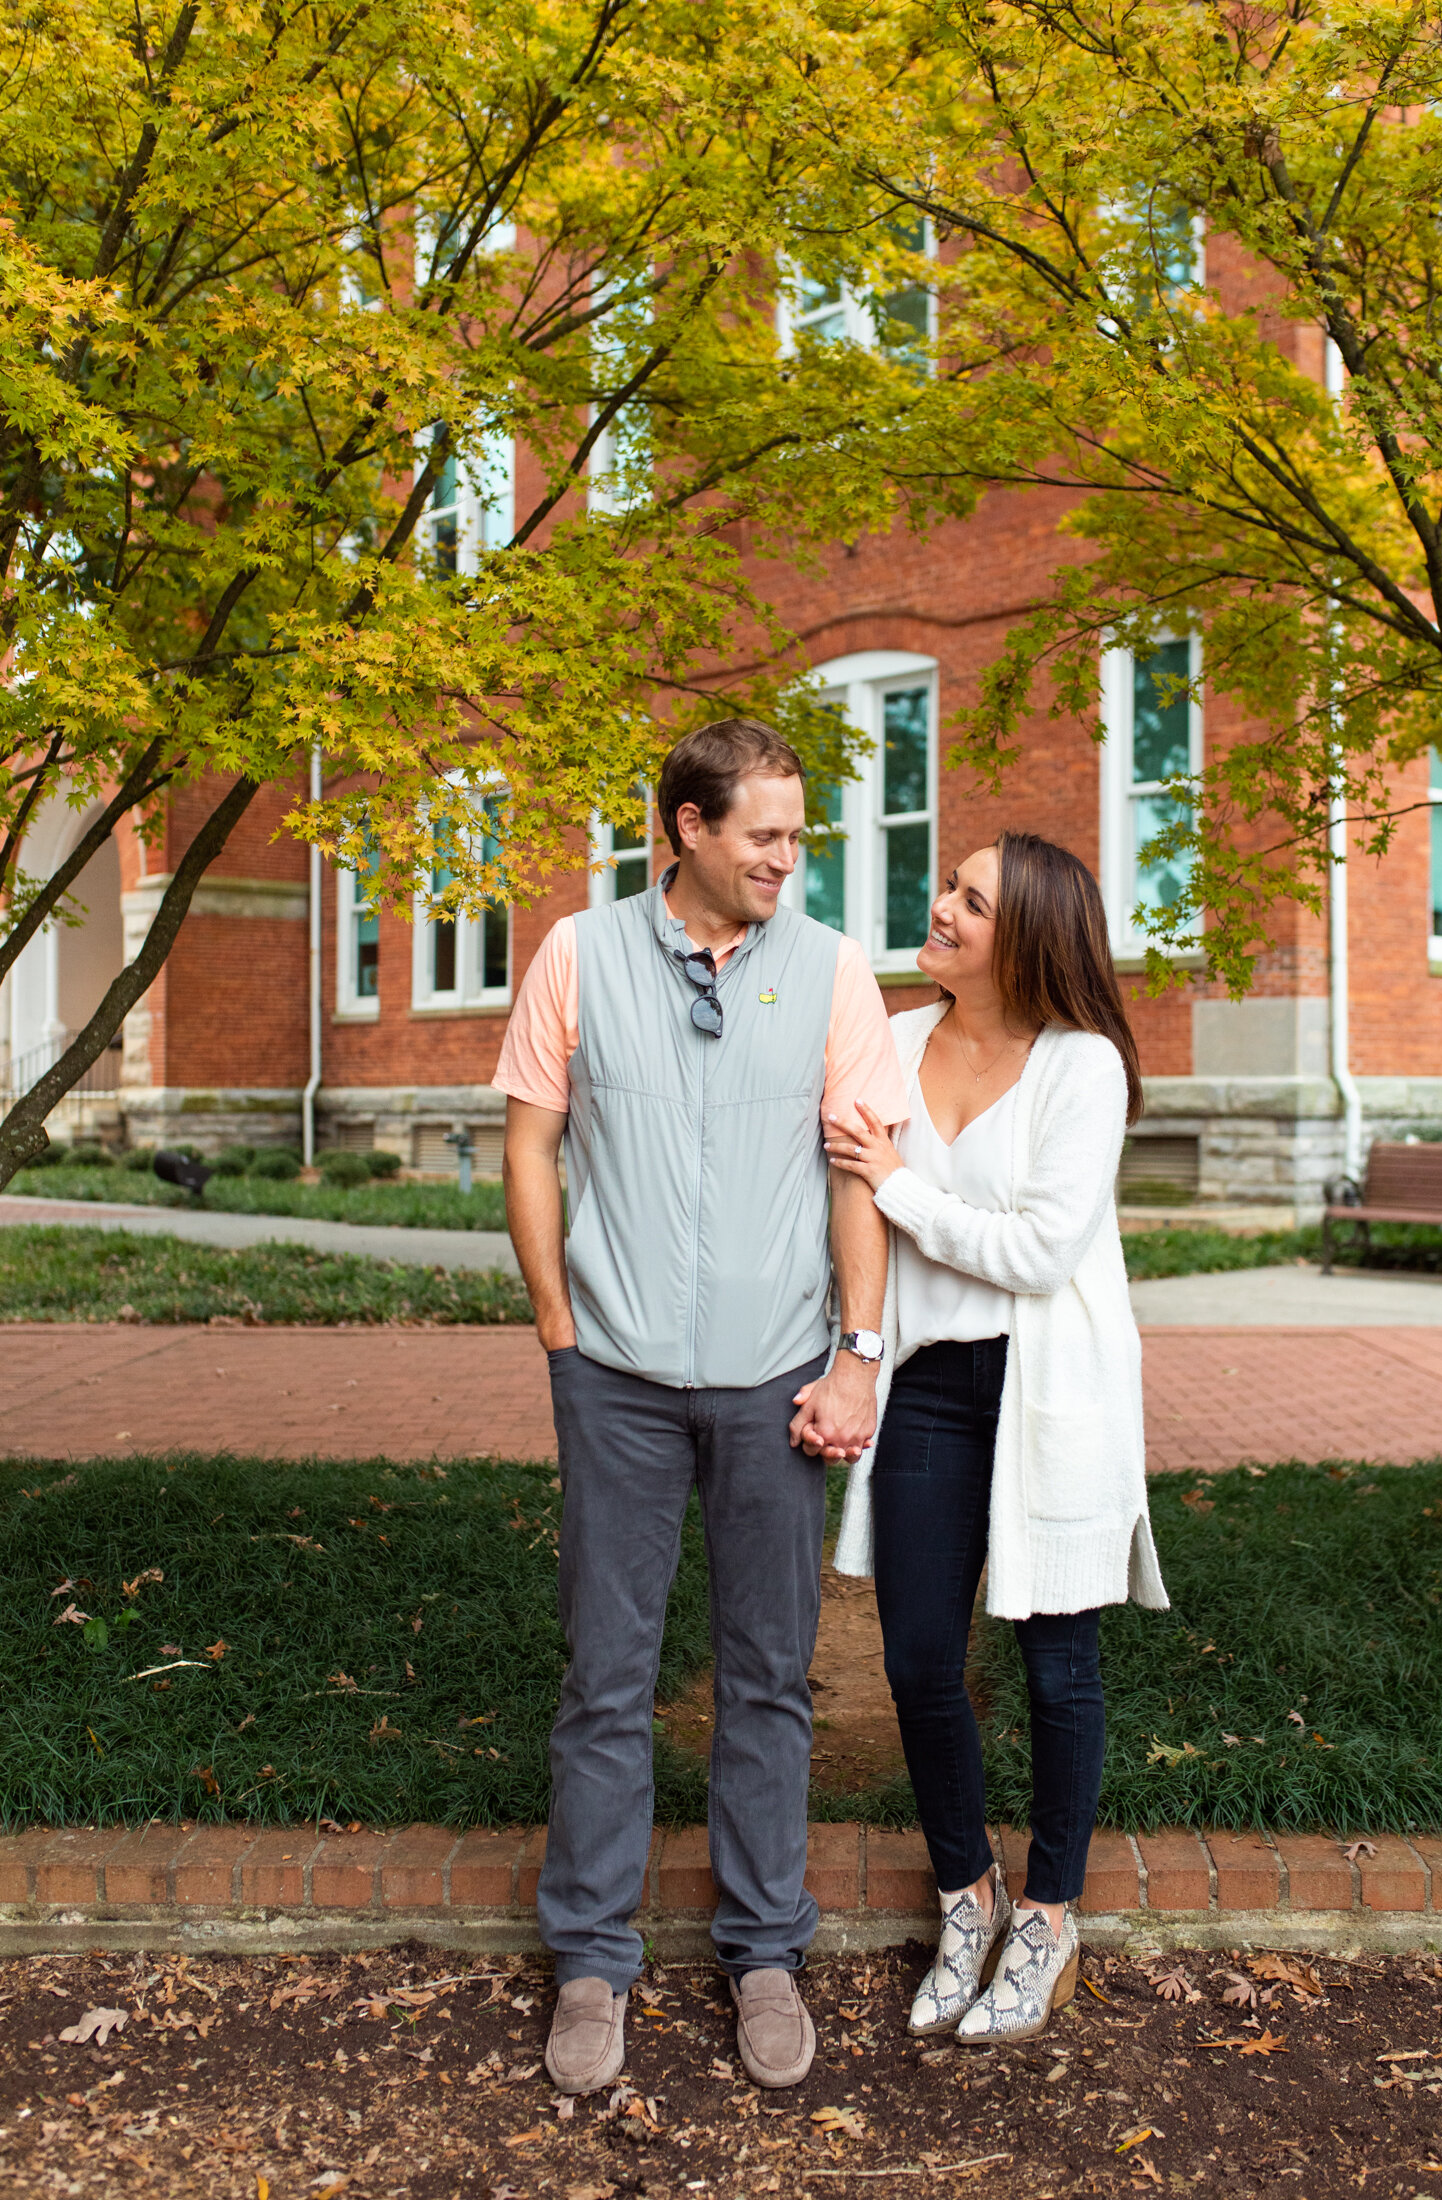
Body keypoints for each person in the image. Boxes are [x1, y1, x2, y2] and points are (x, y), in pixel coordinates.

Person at [494, 718, 908, 2097]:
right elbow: (532, 1144)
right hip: (609, 1379)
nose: (788, 860)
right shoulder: (578, 954)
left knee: (766, 1677)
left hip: (776, 1380)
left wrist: (855, 1356)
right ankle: (593, 1962)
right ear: (685, 828)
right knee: (603, 1678)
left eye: (798, 835)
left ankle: (764, 1950)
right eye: (764, 836)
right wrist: (561, 1332)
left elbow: (859, 1174)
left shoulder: (833, 973)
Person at [824, 832, 1168, 2046]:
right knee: (918, 1659)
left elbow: (1037, 1251)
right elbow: (845, 1201)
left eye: (972, 899)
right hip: (926, 1387)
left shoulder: (1083, 1070)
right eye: (948, 888)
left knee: (1055, 1666)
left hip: (1049, 1391)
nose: (943, 908)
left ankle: (1049, 1913)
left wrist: (904, 1187)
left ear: (1026, 937)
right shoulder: (897, 1043)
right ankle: (965, 1895)